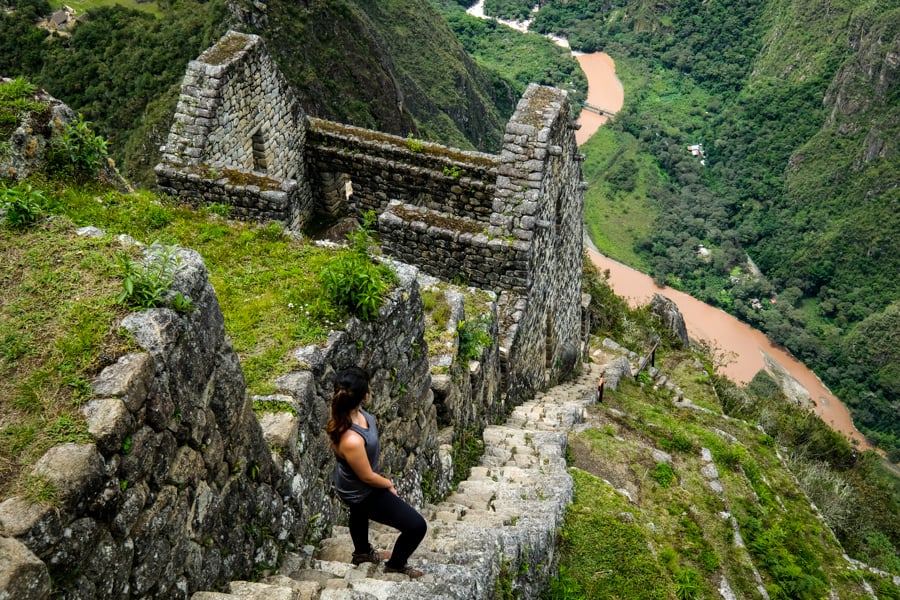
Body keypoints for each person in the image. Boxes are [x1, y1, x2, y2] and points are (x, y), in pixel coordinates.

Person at [327, 366, 427, 578]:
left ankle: (362, 553)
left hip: (354, 483)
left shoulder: (350, 413)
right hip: (362, 490)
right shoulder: (351, 439)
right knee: (417, 526)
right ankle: (396, 565)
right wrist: (388, 484)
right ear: (364, 396)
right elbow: (366, 477)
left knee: (358, 512)